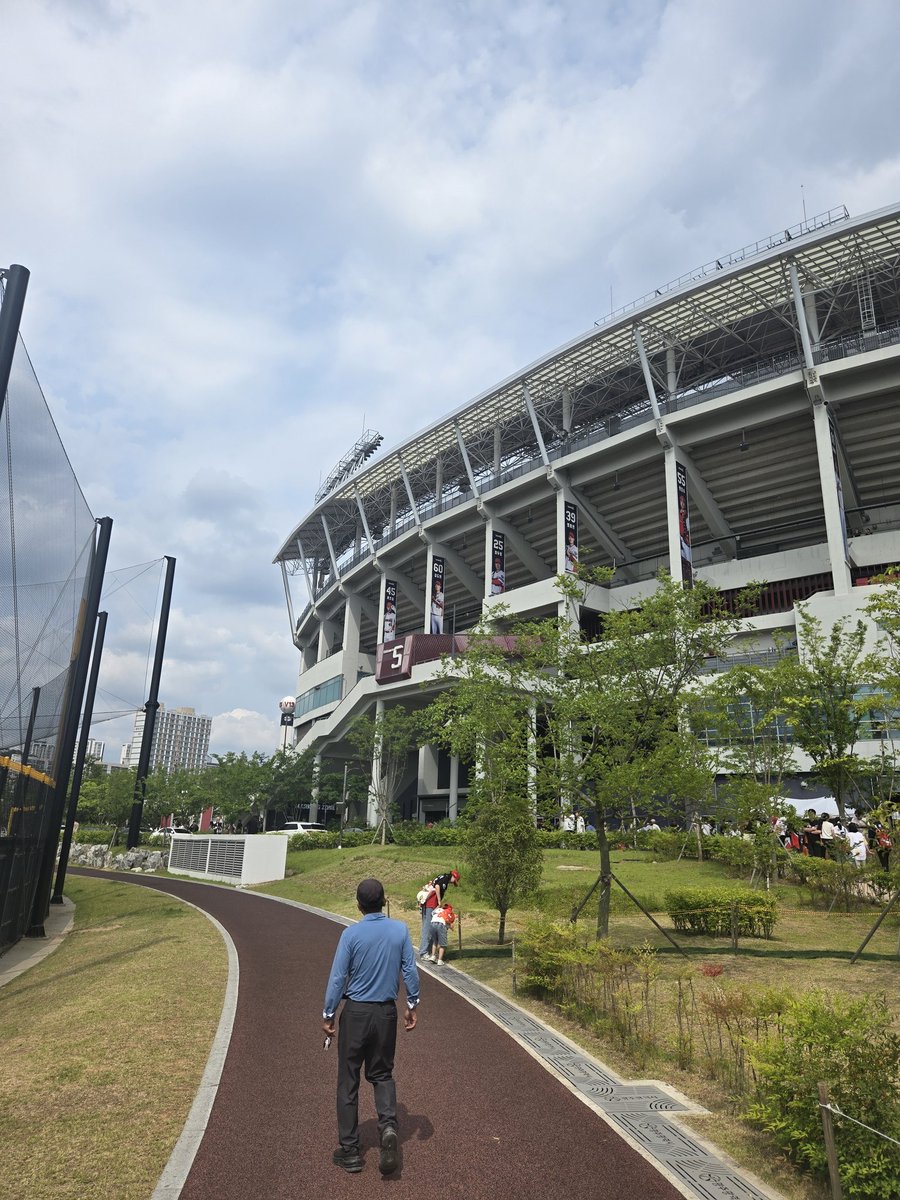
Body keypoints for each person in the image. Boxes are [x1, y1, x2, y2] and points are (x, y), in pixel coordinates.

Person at [322, 878, 419, 1176]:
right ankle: (388, 1126)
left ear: (358, 905)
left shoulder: (350, 934)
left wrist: (328, 1013)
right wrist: (412, 1004)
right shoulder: (400, 930)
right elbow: (410, 970)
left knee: (348, 1079)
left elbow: (338, 978)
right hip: (386, 1014)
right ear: (384, 901)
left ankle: (350, 1151)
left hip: (356, 1013)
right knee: (382, 1074)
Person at [417, 869, 460, 956]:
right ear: (453, 876)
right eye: (454, 881)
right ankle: (424, 952)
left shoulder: (442, 876)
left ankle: (427, 951)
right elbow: (437, 886)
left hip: (427, 902)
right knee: (428, 928)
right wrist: (439, 901)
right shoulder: (446, 879)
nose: (452, 883)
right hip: (431, 903)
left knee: (427, 927)